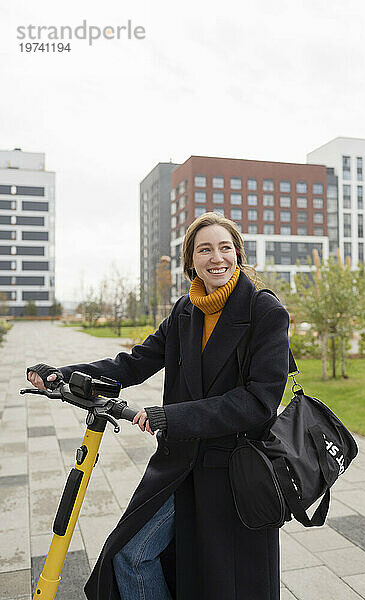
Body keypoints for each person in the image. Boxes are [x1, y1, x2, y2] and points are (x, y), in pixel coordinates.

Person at [27, 212, 290, 600]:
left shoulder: (264, 312)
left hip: (232, 471)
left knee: (225, 582)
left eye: (224, 247)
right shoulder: (186, 311)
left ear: (238, 253)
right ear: (191, 262)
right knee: (130, 555)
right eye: (205, 249)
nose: (216, 257)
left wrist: (172, 417)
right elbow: (134, 363)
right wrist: (63, 374)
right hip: (180, 465)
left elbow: (259, 402)